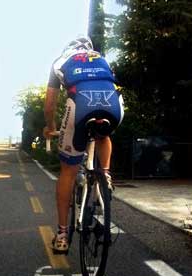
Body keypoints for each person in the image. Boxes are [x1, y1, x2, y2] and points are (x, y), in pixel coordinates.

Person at [43, 35, 124, 254]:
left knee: (68, 171)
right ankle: (104, 175)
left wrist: (50, 127)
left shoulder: (60, 61)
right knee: (103, 133)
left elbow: (50, 104)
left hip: (79, 105)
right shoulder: (102, 58)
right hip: (113, 103)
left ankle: (61, 235)